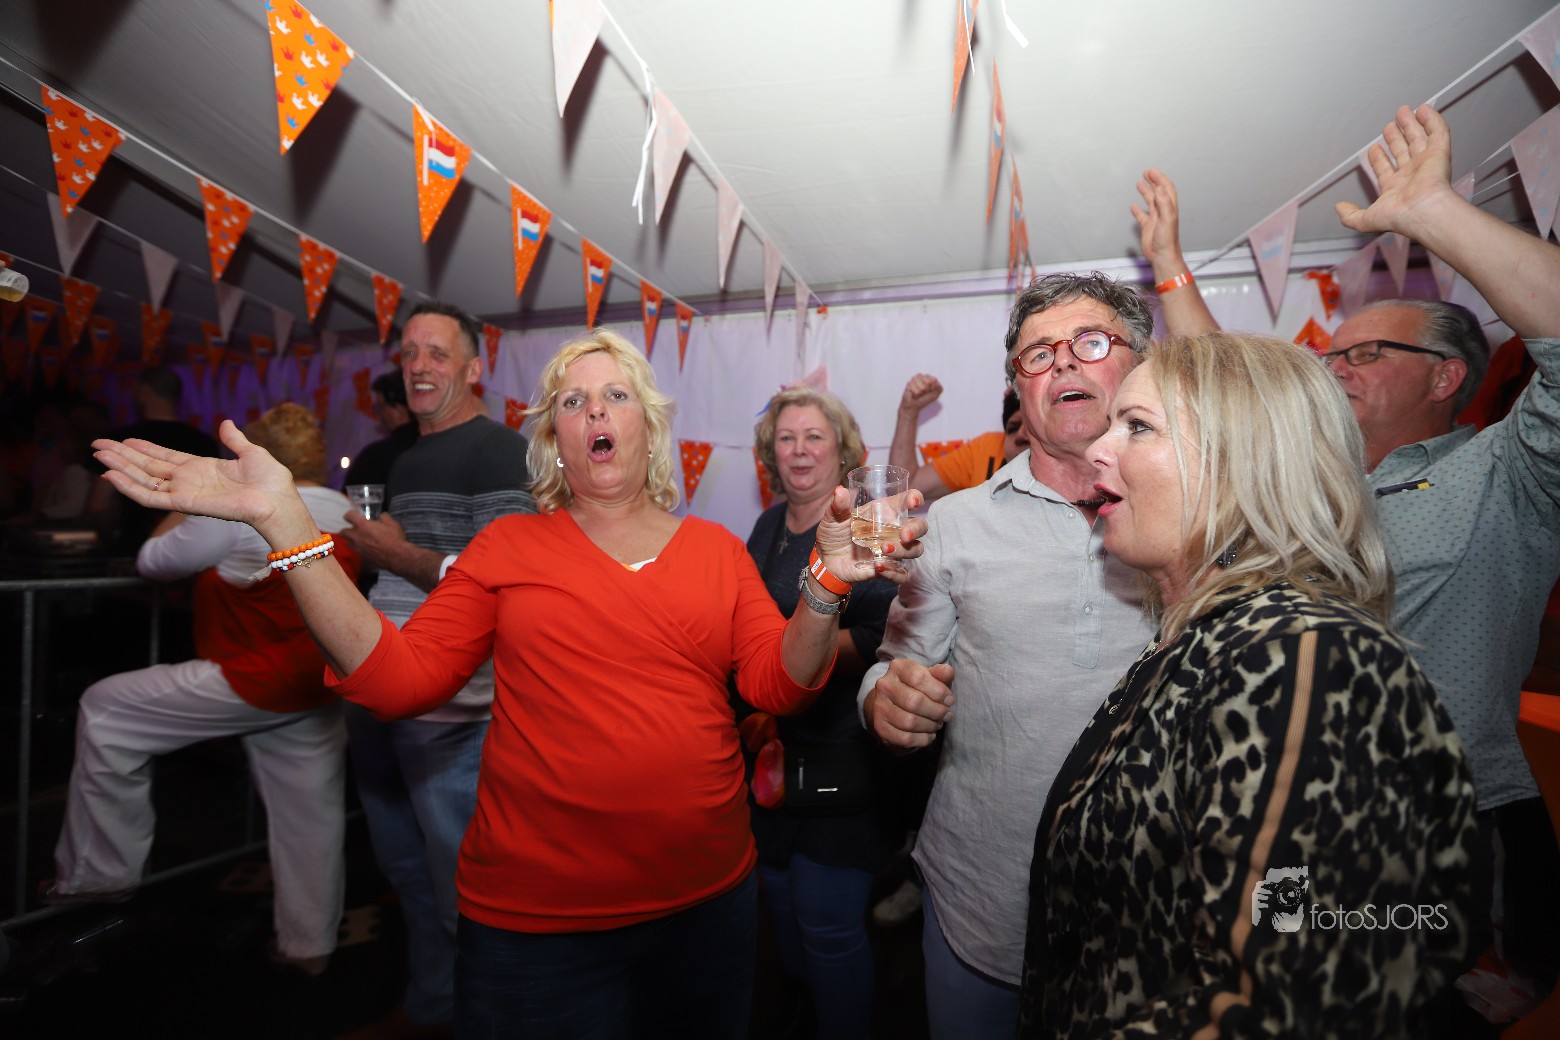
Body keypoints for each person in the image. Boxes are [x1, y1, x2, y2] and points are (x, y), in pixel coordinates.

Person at [92, 327, 925, 1038]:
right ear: (554, 438)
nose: (595, 412)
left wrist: (825, 586)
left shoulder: (714, 550)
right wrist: (287, 524)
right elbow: (396, 679)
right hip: (539, 923)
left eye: (616, 396)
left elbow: (781, 686)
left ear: (648, 427)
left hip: (704, 904)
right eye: (573, 401)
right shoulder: (507, 549)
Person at [1143, 105, 1560, 998]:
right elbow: (1233, 386)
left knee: (1424, 1014)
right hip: (1295, 828)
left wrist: (1434, 212)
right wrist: (1169, 263)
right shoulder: (1312, 483)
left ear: (1447, 375)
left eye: (1364, 354)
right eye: (1330, 359)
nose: (1335, 371)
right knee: (1282, 995)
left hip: (1445, 831)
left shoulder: (1509, 471)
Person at [1016, 331, 1480, 1036]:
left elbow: (1293, 1002)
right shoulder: (1210, 636)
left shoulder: (1300, 655)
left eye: (1137, 426)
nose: (1098, 450)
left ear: (1244, 462)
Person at [859, 273, 1157, 1038]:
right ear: (1020, 390)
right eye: (1037, 354)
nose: (1063, 362)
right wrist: (884, 700)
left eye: (1090, 342)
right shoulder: (954, 523)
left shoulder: (1195, 514)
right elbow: (892, 662)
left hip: (1145, 915)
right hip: (980, 905)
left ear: (1142, 365)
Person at [47, 403, 361, 976]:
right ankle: (309, 946)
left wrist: (181, 507)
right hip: (318, 681)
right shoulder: (345, 508)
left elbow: (154, 562)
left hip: (250, 675)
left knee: (105, 708)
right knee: (310, 818)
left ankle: (101, 872)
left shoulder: (239, 509)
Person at [334, 301, 533, 1036]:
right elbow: (404, 575)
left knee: (461, 890)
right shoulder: (407, 457)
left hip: (451, 707)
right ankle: (431, 1008)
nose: (418, 367)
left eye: (438, 354)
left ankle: (489, 1018)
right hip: (382, 690)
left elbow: (503, 588)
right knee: (406, 873)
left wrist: (395, 553)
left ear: (474, 369)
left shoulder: (501, 452)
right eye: (409, 353)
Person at [744, 388, 900, 1039]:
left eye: (814, 437)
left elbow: (879, 636)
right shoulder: (767, 525)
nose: (800, 451)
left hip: (842, 756)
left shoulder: (866, 525)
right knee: (780, 907)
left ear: (841, 450)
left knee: (828, 925)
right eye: (787, 438)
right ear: (770, 453)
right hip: (774, 757)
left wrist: (794, 647)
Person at [86, 367, 219, 555]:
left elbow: (99, 505)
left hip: (133, 545)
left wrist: (110, 539)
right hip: (191, 549)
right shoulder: (204, 442)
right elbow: (212, 506)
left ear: (144, 392)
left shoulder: (121, 440)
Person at [888, 376, 1028, 502]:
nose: (1021, 435)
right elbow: (905, 488)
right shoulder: (986, 449)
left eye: (1030, 426)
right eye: (1013, 428)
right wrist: (908, 412)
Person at [343, 369, 419, 489]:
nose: (378, 415)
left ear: (399, 409)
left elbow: (352, 497)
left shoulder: (374, 457)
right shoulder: (435, 445)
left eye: (380, 406)